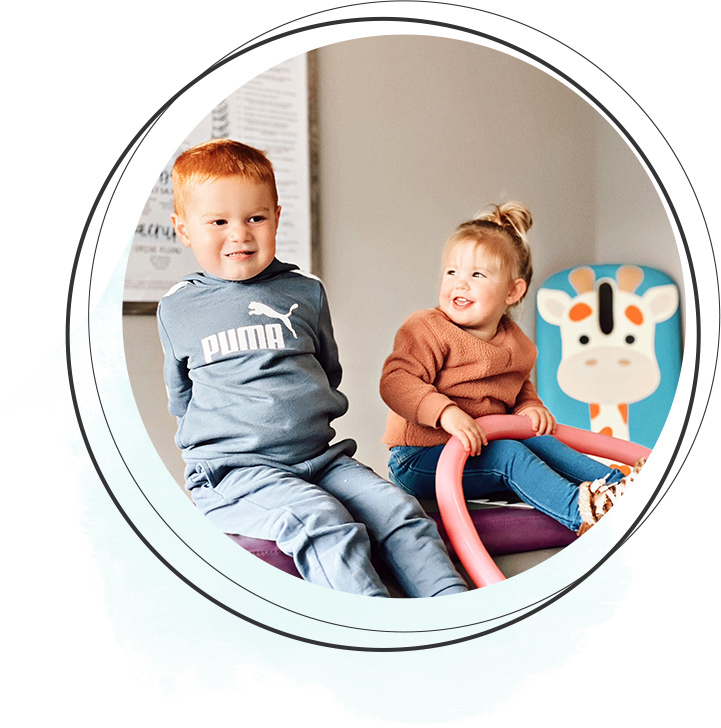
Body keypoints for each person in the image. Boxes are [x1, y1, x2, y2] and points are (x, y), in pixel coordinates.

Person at [157, 138, 468, 597]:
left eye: (255, 218)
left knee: (399, 510)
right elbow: (181, 397)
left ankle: (451, 617)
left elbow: (325, 369)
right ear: (184, 229)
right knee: (322, 520)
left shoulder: (304, 292)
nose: (240, 234)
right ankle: (375, 640)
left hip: (320, 459)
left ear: (277, 217)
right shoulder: (179, 308)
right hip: (236, 471)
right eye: (219, 221)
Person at [379, 202, 642, 535]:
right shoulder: (426, 328)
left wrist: (531, 407)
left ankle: (623, 487)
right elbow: (397, 381)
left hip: (482, 447)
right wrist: (446, 413)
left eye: (476, 275)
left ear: (513, 291)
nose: (460, 284)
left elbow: (519, 390)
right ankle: (584, 513)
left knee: (542, 440)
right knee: (509, 453)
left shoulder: (517, 344)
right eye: (451, 272)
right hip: (422, 458)